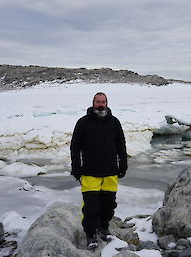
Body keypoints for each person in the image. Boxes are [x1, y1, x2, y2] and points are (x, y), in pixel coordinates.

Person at [70, 92, 128, 250]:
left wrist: (123, 164)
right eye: (98, 102)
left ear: (107, 103)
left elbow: (121, 145)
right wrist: (76, 167)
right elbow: (75, 147)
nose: (101, 104)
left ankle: (103, 227)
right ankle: (90, 234)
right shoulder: (83, 122)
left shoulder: (114, 122)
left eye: (103, 101)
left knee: (109, 204)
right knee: (91, 206)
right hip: (90, 172)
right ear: (93, 103)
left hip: (110, 171)